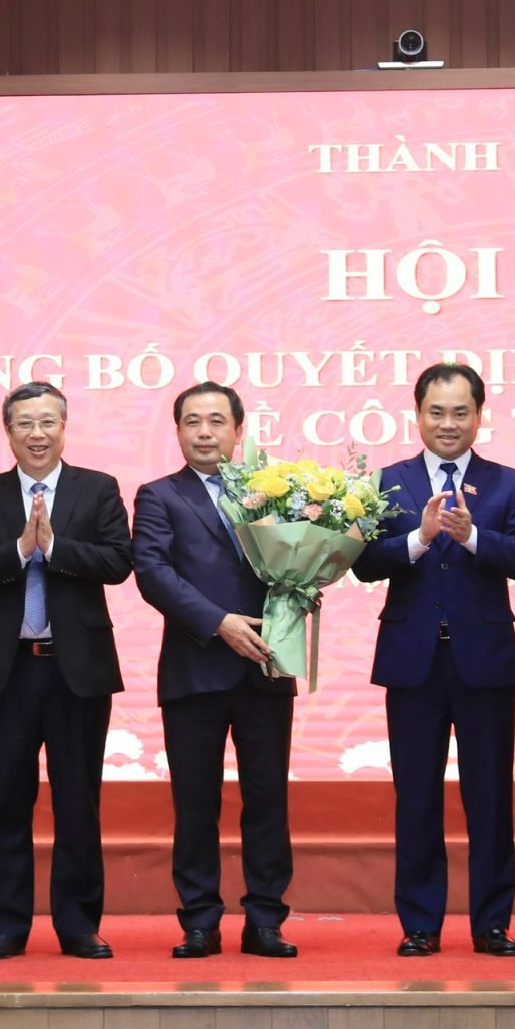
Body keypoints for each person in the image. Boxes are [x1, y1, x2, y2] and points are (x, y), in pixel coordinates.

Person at [353, 362, 515, 957]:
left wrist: (472, 537)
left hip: (484, 659)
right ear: (417, 415)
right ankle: (420, 924)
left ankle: (491, 923)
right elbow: (363, 562)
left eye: (461, 412)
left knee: (490, 797)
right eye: (437, 412)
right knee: (416, 797)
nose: (449, 423)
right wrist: (421, 538)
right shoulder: (387, 481)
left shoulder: (507, 483)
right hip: (412, 660)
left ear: (480, 416)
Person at [0, 382, 133, 959]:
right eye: (25, 423)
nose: (37, 434)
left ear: (64, 427)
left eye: (48, 422)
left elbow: (119, 561)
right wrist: (18, 550)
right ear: (8, 432)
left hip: (77, 670)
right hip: (7, 672)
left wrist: (53, 549)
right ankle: (8, 925)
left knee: (78, 802)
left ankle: (78, 925)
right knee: (7, 804)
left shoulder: (97, 488)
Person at [132, 382, 298, 959]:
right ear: (178, 431)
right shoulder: (159, 496)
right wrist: (219, 621)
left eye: (216, 421)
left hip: (266, 666)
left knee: (268, 799)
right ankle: (200, 920)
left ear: (238, 429)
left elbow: (297, 562)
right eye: (192, 422)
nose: (205, 433)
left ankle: (266, 919)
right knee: (195, 803)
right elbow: (153, 572)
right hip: (194, 668)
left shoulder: (278, 492)